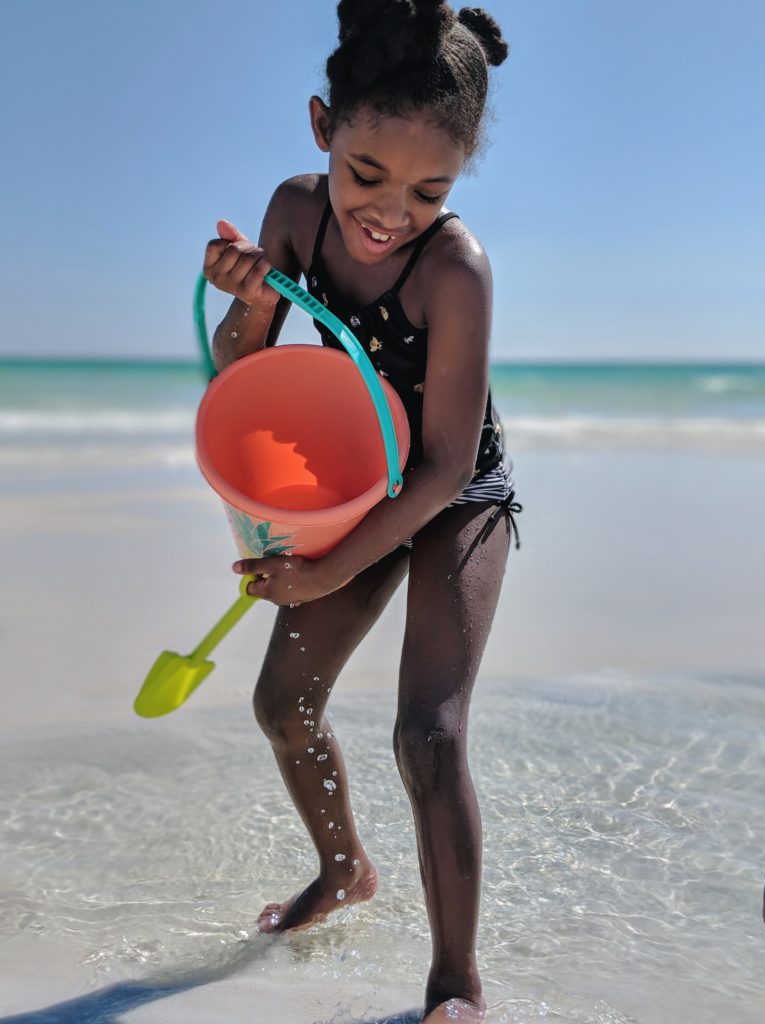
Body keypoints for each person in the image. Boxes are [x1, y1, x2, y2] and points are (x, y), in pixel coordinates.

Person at [203, 3, 521, 1020]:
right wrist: (249, 299)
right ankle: (344, 869)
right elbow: (238, 367)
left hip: (453, 482)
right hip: (367, 474)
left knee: (428, 733)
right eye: (366, 175)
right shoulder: (294, 215)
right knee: (280, 705)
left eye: (431, 189)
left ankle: (455, 982)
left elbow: (441, 465)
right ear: (320, 127)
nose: (392, 210)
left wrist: (331, 567)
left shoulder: (456, 270)